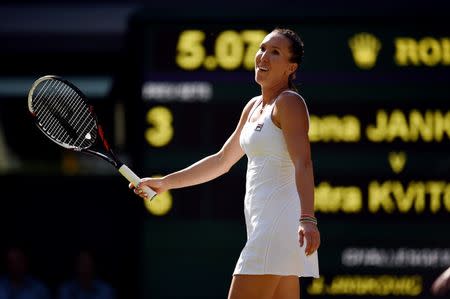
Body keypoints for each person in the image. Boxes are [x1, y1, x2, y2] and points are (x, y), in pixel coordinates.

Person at [132, 28, 320, 299]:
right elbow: (221, 160)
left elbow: (303, 162)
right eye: (262, 48)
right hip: (269, 229)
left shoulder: (289, 102)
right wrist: (165, 183)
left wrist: (308, 218)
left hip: (277, 227)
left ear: (291, 68)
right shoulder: (253, 106)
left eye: (275, 52)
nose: (263, 56)